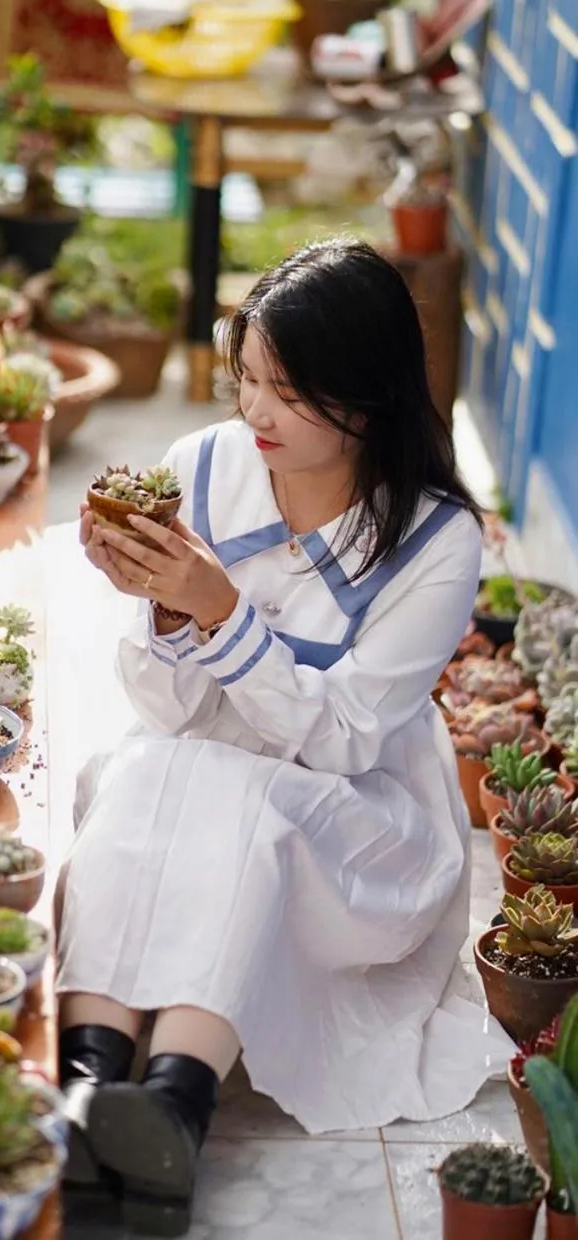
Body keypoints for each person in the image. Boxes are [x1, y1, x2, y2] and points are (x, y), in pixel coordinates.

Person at [55, 238, 510, 1236]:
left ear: (368, 395)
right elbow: (167, 709)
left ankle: (173, 1100)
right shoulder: (202, 468)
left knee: (233, 800)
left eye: (289, 391)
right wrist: (163, 611)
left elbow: (344, 739)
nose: (254, 411)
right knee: (139, 776)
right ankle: (86, 1085)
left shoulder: (436, 538)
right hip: (204, 766)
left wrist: (220, 613)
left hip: (362, 817)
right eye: (246, 377)